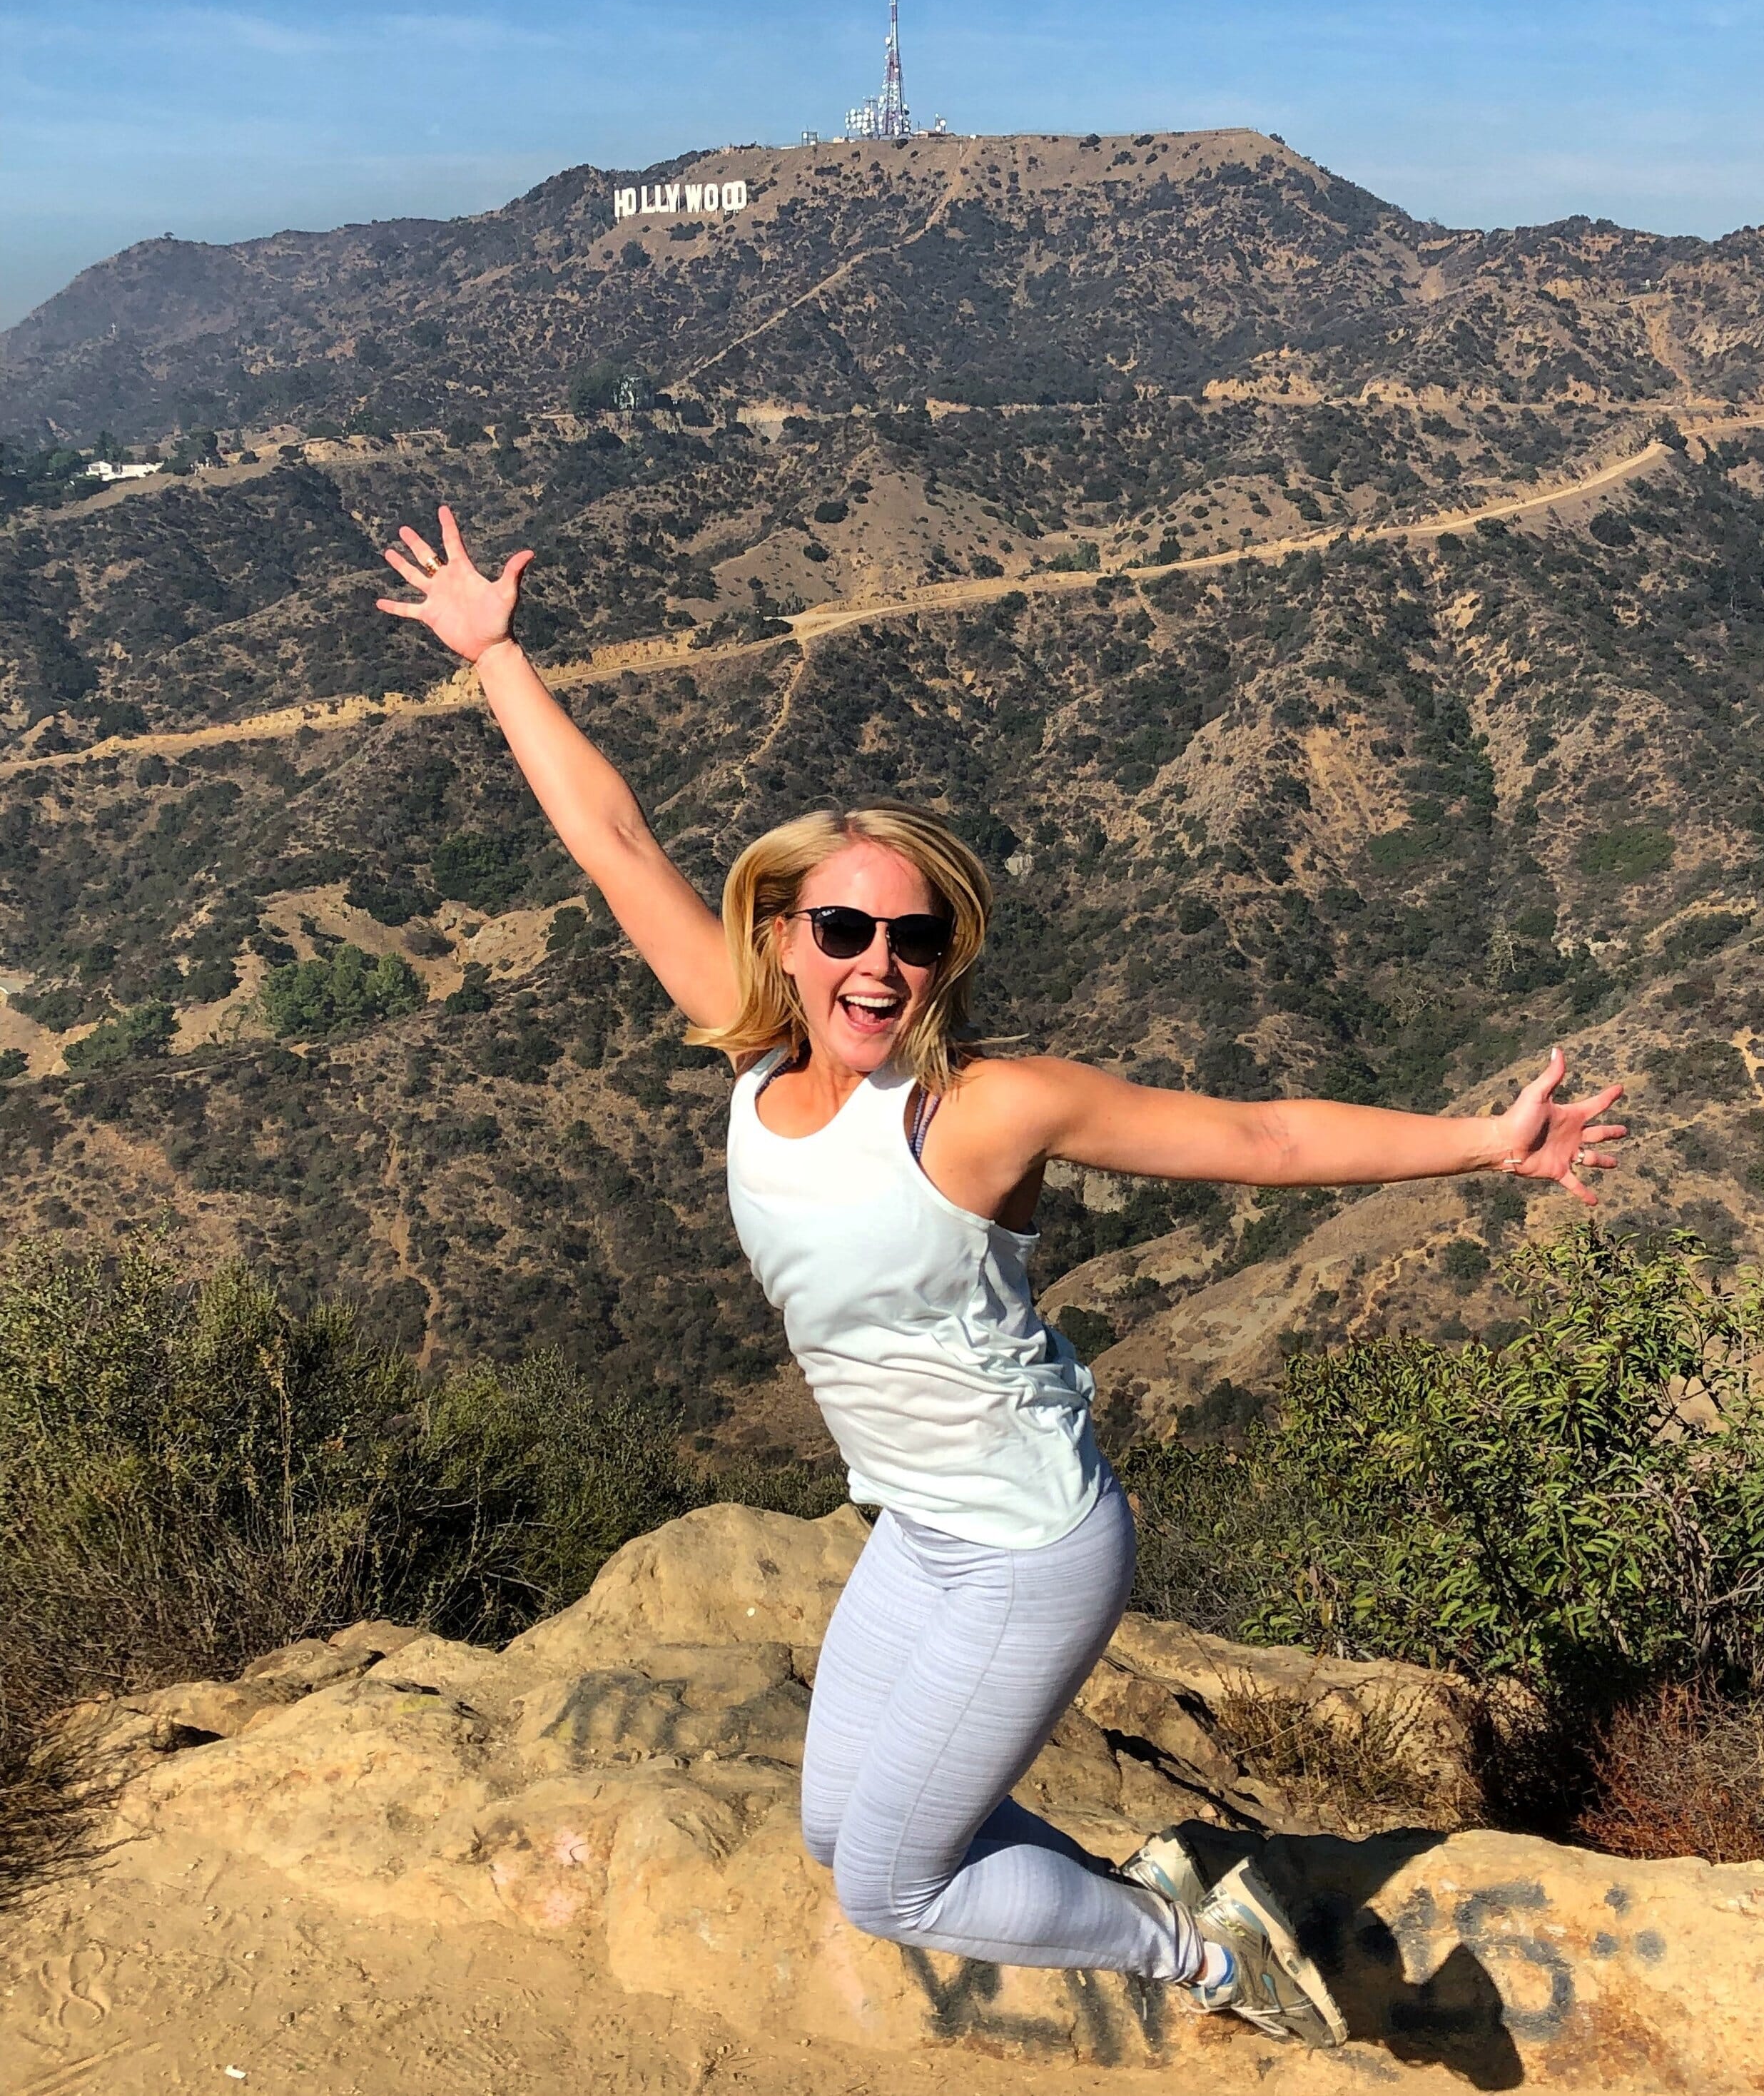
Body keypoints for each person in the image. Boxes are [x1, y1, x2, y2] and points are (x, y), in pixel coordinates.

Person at [377, 507, 1628, 2051]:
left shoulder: (980, 1112)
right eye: (840, 928)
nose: (875, 965)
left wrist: (1479, 1146)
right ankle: (1151, 1905)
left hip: (1030, 1544)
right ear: (781, 933)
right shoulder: (755, 1043)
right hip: (919, 1531)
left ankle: (1203, 1955)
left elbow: (1254, 1135)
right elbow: (614, 842)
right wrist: (494, 656)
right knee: (847, 1834)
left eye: (913, 938)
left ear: (943, 957)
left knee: (888, 1887)